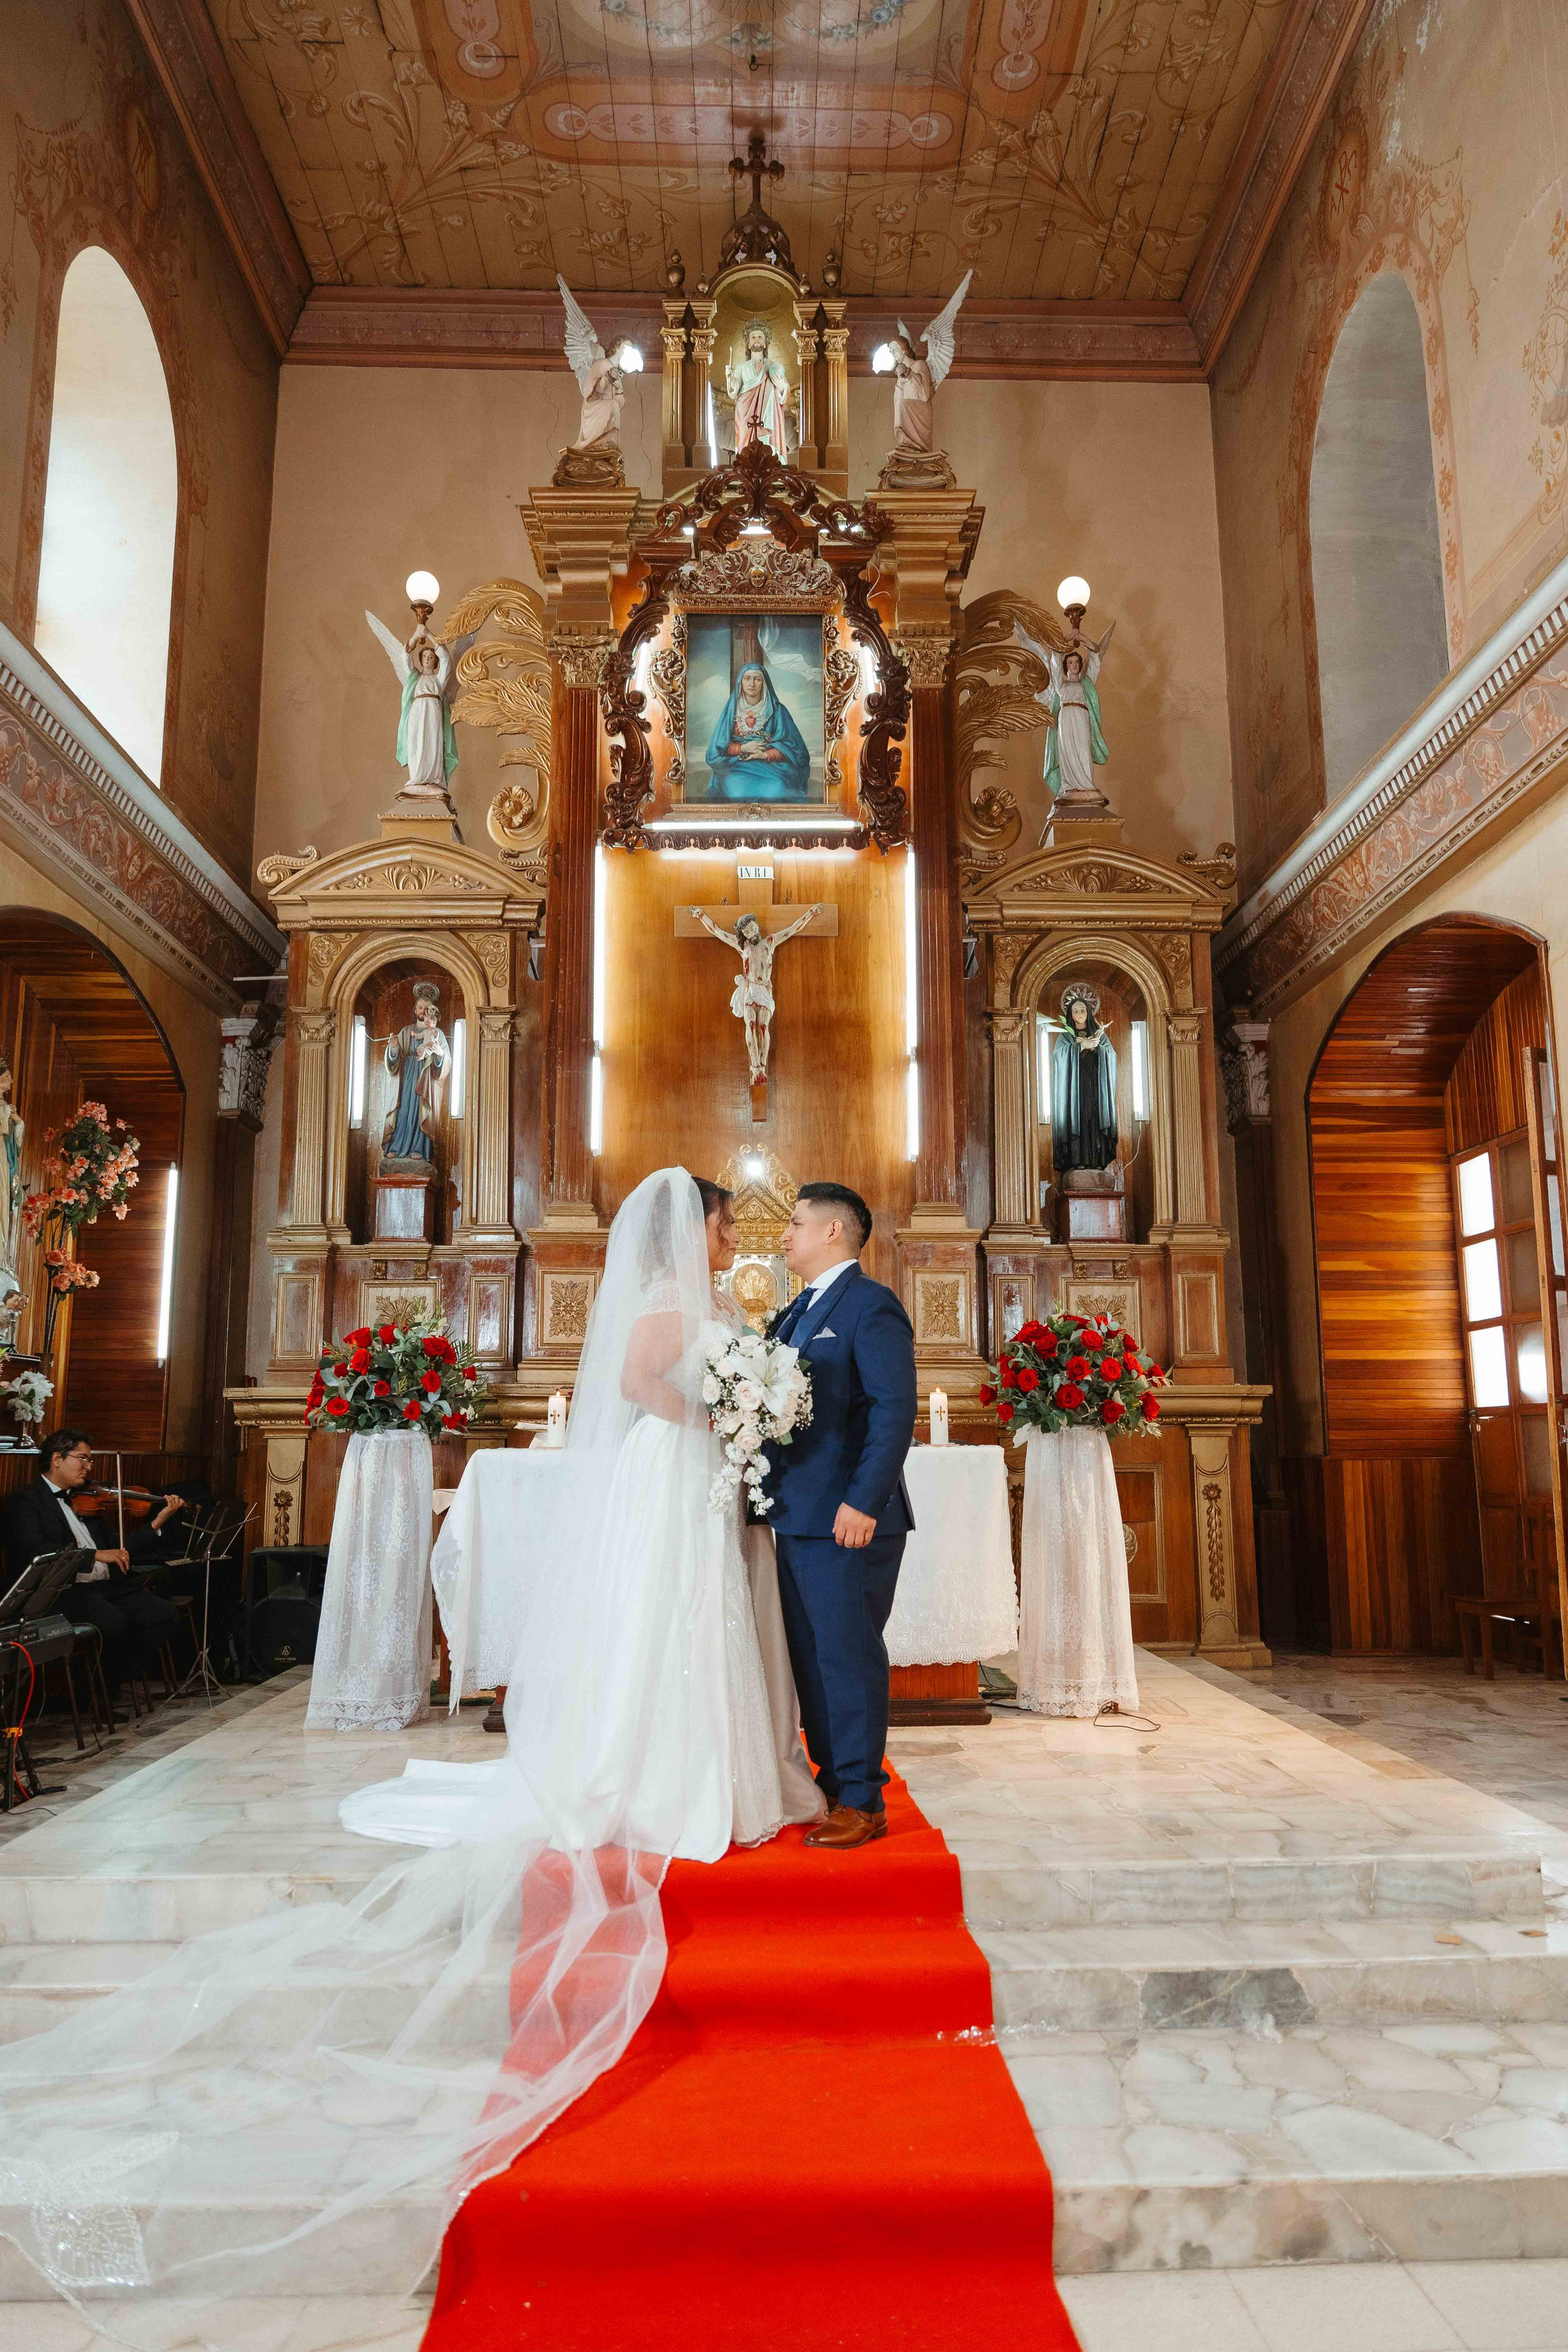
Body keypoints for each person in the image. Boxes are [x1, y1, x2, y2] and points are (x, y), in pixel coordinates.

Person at [0, 1172, 819, 2342]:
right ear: (693, 1227)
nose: (735, 1233)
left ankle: (709, 1765)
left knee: (696, 1634)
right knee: (663, 1632)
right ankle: (654, 1769)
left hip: (690, 1486)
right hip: (667, 1479)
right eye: (724, 1220)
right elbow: (645, 1387)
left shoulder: (700, 1300)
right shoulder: (658, 1303)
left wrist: (736, 1404)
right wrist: (725, 1411)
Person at [763, 1182, 918, 1850]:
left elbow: (892, 1412)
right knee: (812, 1661)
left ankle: (862, 1799)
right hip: (797, 1514)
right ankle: (833, 1784)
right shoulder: (793, 1312)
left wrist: (863, 1500)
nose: (785, 1234)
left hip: (848, 1519)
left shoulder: (869, 1306)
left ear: (833, 1231)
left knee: (846, 1658)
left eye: (796, 1223)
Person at [0, 1427, 183, 1692]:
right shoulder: (26, 1502)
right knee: (113, 1622)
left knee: (163, 1614)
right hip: (65, 1591)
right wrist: (95, 1555)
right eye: (82, 1459)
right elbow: (36, 1552)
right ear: (57, 1459)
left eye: (90, 1460)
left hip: (105, 1587)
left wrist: (157, 1523)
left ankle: (111, 1679)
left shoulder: (86, 1500)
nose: (89, 1466)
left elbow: (119, 1549)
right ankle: (90, 1692)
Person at [704, 661, 812, 801]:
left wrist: (765, 755)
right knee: (737, 792)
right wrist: (743, 748)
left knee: (776, 791)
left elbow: (796, 749)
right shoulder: (731, 711)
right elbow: (719, 748)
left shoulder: (778, 711)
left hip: (772, 768)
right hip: (737, 765)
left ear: (764, 683)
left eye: (757, 679)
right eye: (747, 679)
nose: (752, 684)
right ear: (741, 683)